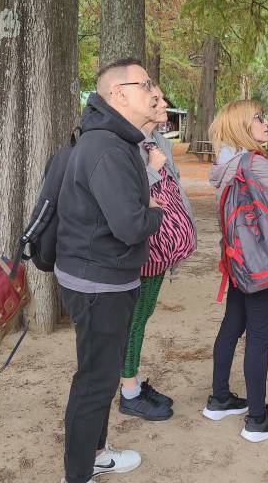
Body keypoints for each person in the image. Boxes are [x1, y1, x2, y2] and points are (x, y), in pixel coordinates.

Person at [56, 58, 163, 483]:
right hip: (98, 282)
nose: (154, 92)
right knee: (96, 383)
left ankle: (96, 453)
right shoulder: (107, 147)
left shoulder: (115, 141)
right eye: (146, 84)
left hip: (104, 276)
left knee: (98, 374)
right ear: (118, 94)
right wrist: (153, 212)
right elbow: (131, 224)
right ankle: (78, 473)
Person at [204, 100, 268, 442]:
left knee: (232, 326)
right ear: (245, 126)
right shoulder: (254, 164)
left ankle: (219, 398)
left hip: (237, 261)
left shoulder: (223, 167)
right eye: (259, 118)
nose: (266, 123)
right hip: (262, 262)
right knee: (259, 337)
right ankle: (257, 419)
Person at [117, 86, 196, 421]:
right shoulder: (121, 145)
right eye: (157, 101)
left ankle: (129, 384)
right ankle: (128, 391)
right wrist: (151, 168)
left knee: (143, 314)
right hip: (139, 249)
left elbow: (173, 187)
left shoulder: (159, 141)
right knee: (133, 320)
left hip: (160, 248)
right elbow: (122, 200)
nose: (165, 104)